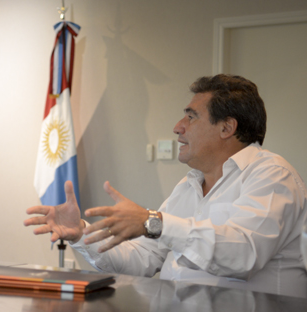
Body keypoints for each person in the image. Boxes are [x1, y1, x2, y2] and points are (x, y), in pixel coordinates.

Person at [25, 74, 307, 296]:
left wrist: (156, 223)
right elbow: (142, 257)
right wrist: (81, 233)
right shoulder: (189, 184)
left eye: (191, 117)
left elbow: (243, 255)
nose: (178, 126)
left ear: (226, 128)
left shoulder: (273, 175)